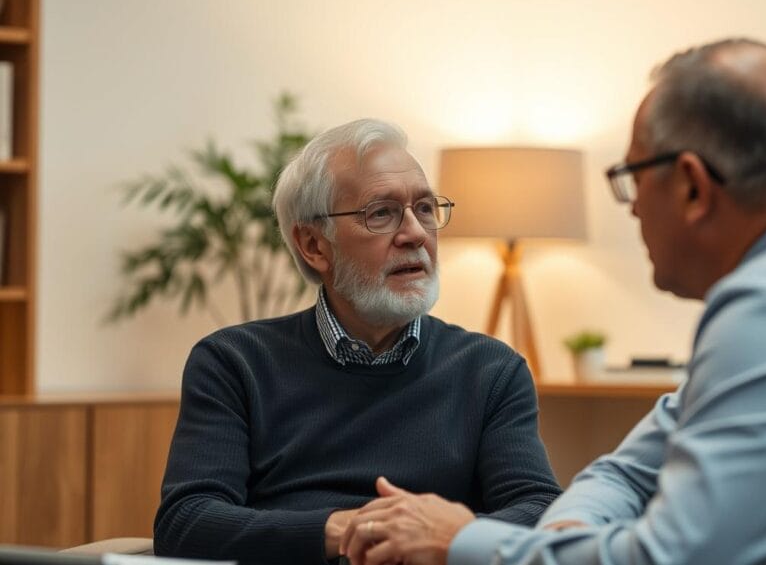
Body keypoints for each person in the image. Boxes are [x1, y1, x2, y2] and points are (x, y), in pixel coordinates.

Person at [339, 38, 766, 565]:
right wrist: (565, 536)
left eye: (630, 178)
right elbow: (629, 467)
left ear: (692, 186)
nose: (632, 210)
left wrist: (462, 540)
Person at [153, 119, 561, 564]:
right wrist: (346, 528)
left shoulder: (491, 370)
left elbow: (540, 511)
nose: (416, 234)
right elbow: (186, 521)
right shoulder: (234, 362)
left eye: (425, 208)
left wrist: (444, 535)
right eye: (381, 213)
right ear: (314, 245)